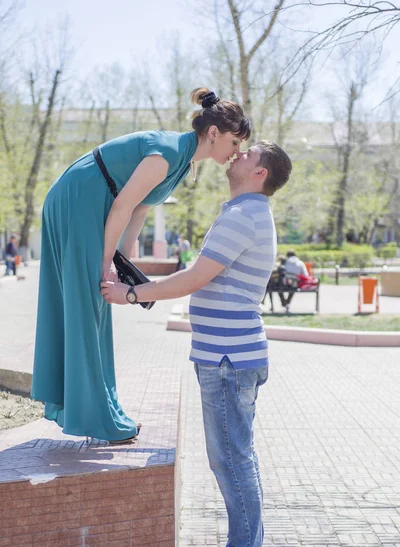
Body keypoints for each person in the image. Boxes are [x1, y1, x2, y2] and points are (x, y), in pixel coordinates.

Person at [101, 139, 292, 547]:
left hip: (229, 359)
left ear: (261, 172)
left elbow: (193, 279)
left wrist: (132, 294)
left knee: (232, 461)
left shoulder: (245, 215)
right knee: (234, 458)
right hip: (227, 355)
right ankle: (241, 546)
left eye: (250, 153)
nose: (238, 153)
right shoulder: (243, 212)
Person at [31, 87, 250, 444]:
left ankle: (100, 409)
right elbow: (121, 208)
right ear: (214, 133)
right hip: (80, 200)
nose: (236, 153)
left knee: (93, 306)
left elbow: (140, 209)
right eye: (235, 143)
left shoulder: (183, 160)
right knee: (90, 305)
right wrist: (105, 262)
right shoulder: (166, 153)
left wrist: (123, 260)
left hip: (91, 202)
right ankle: (96, 416)